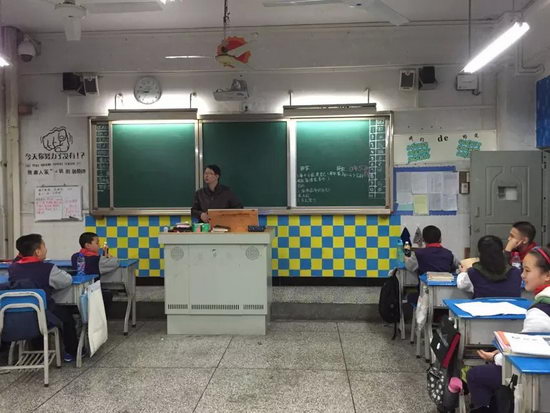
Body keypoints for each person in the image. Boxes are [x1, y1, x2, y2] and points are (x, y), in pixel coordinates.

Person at [466, 245, 550, 412]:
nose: (522, 275)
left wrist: (496, 357)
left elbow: (524, 357)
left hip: (538, 382)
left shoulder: (539, 313)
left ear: (547, 275)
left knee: (476, 375)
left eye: (527, 270)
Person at [8, 234, 78, 362]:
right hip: (44, 313)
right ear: (38, 251)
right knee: (67, 317)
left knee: (34, 313)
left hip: (17, 315)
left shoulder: (13, 268)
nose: (46, 249)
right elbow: (67, 280)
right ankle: (72, 352)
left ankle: (37, 349)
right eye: (44, 246)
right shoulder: (48, 268)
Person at [457, 235, 522, 298]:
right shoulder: (516, 272)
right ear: (502, 252)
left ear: (480, 253)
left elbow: (461, 285)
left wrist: (463, 273)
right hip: (512, 305)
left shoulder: (473, 273)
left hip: (482, 305)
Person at [71, 232, 119, 312]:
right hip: (92, 291)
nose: (99, 245)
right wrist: (107, 254)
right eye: (97, 243)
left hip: (77, 291)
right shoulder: (97, 259)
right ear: (87, 245)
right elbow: (116, 262)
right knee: (107, 294)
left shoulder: (74, 257)